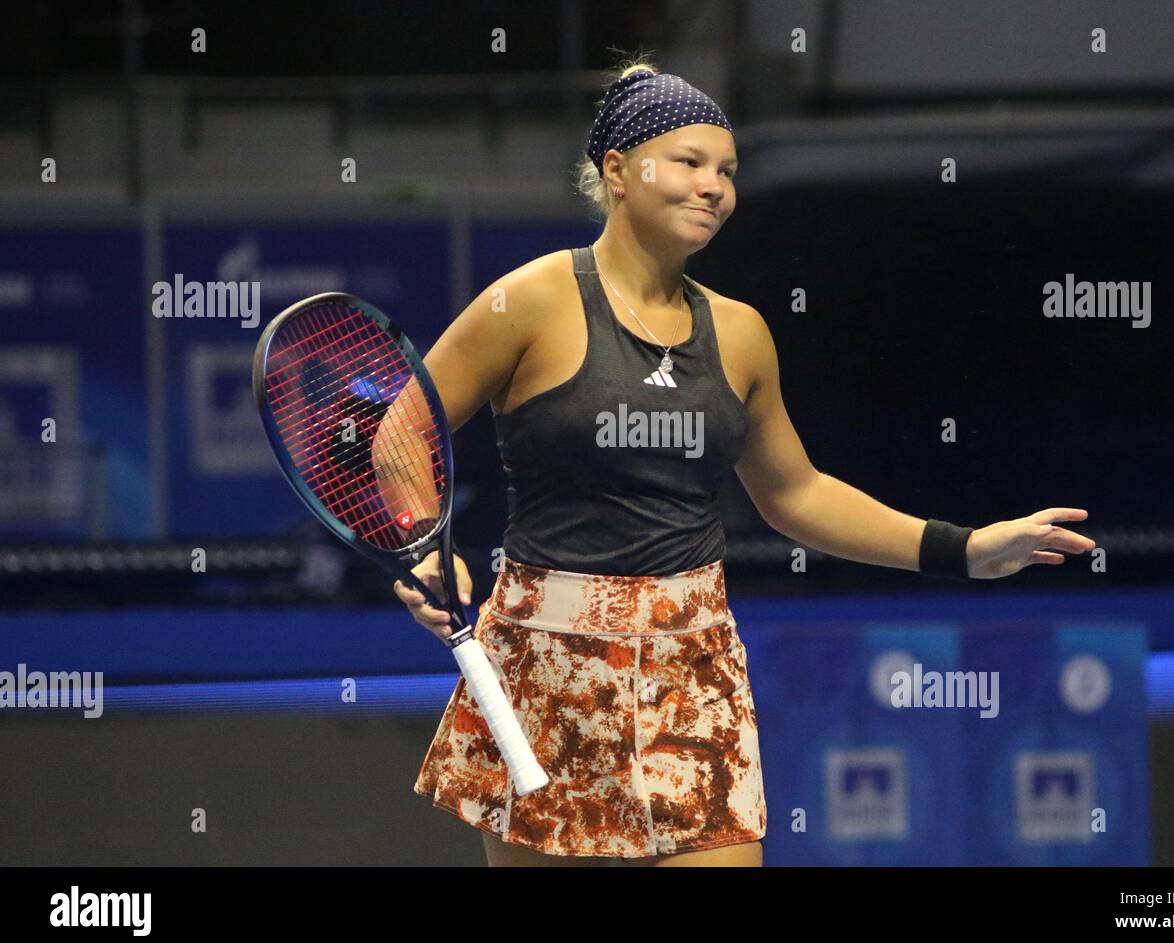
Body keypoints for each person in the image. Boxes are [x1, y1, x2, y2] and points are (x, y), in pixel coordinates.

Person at [395, 59, 1094, 867]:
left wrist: (964, 549)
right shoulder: (530, 300)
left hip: (695, 669)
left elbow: (796, 493)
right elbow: (400, 434)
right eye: (689, 163)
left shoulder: (741, 333)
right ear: (617, 172)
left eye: (726, 171)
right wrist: (422, 545)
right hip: (546, 669)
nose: (714, 187)